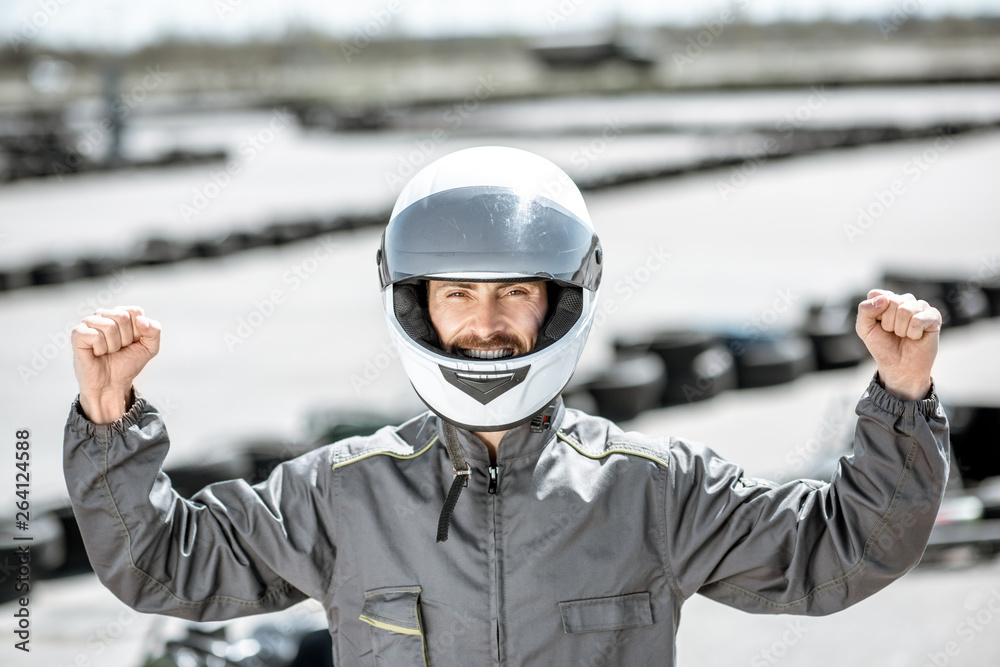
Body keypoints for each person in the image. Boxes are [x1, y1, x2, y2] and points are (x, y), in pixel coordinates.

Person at [64, 146, 949, 666]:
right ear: (417, 303)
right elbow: (164, 565)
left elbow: (845, 549)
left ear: (558, 299)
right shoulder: (340, 493)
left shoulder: (656, 490)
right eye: (456, 295)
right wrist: (110, 428)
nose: (485, 324)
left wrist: (901, 400)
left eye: (514, 292)